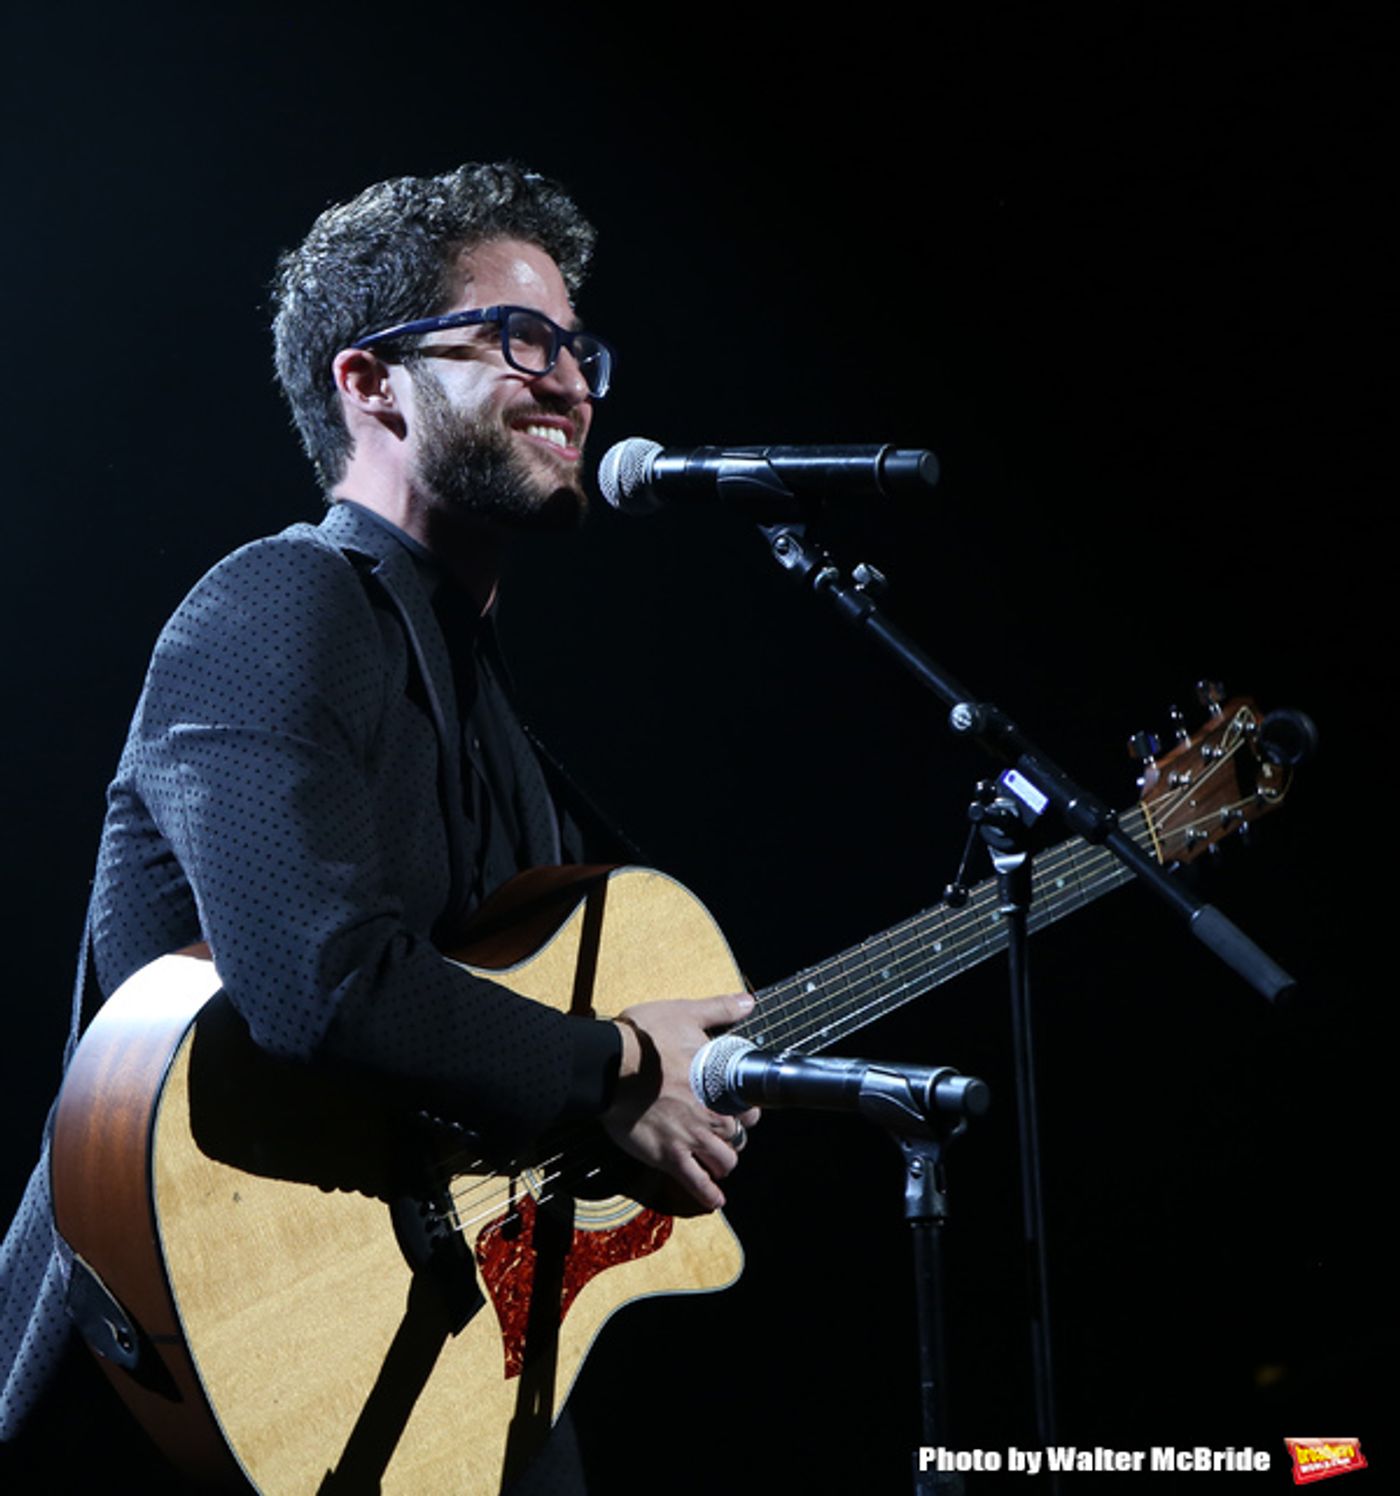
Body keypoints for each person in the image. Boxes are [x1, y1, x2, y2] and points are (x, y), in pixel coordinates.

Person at [0, 161, 757, 1492]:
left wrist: (641, 1104)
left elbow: (488, 1038)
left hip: (439, 1361)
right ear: (370, 384)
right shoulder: (278, 604)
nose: (572, 383)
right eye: (521, 340)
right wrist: (616, 1071)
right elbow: (321, 985)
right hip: (200, 1379)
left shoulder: (491, 712)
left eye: (583, 350)